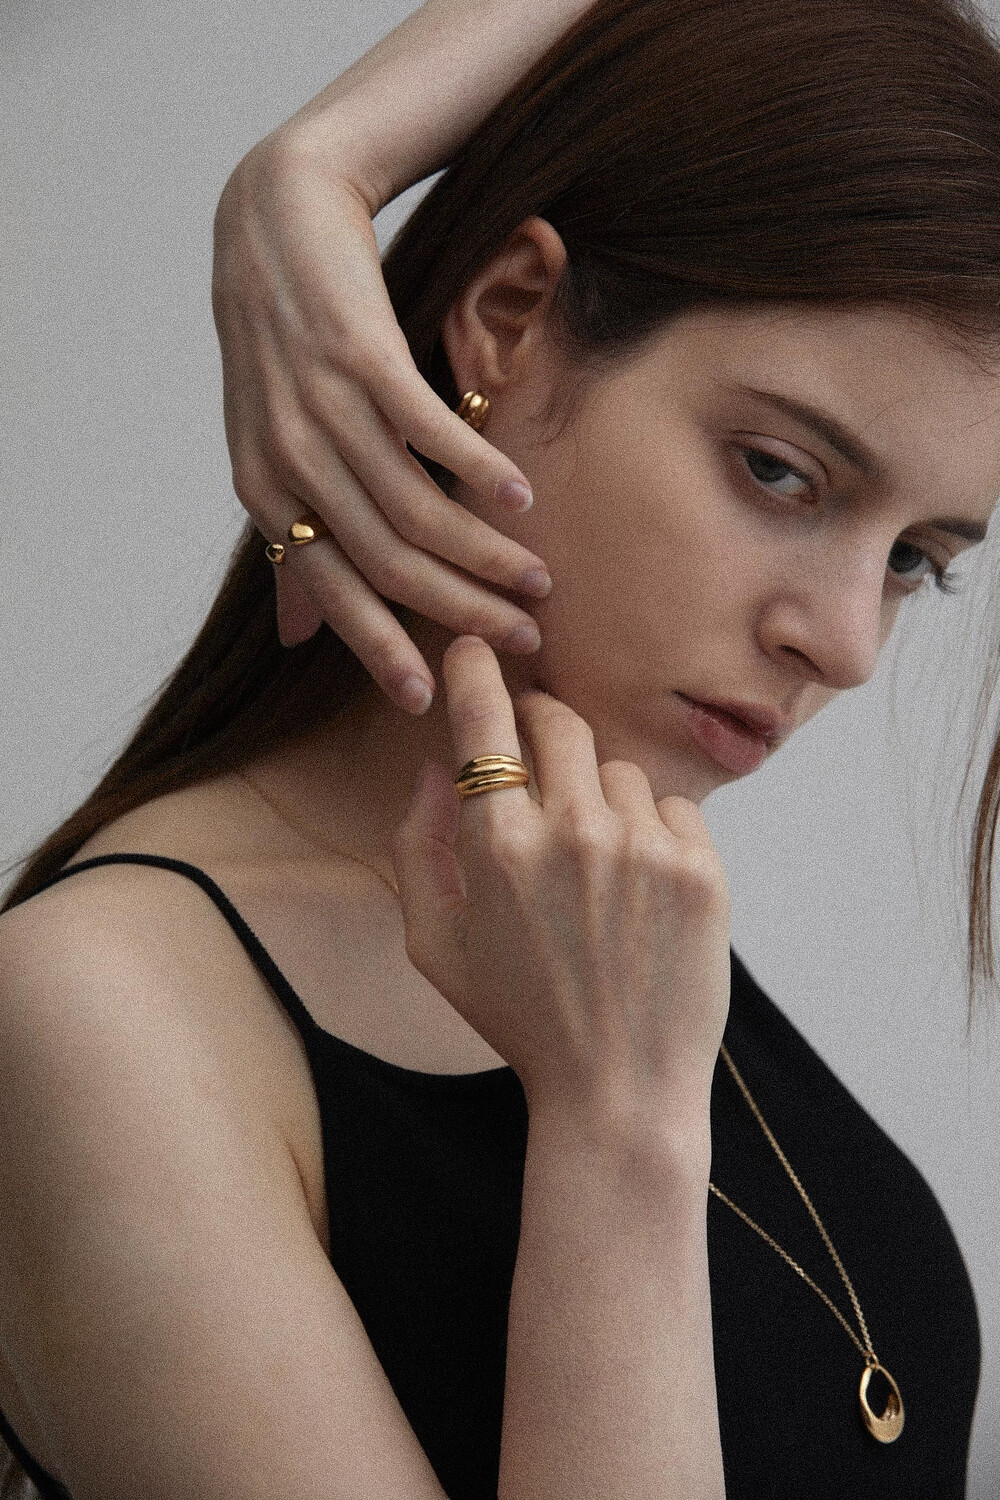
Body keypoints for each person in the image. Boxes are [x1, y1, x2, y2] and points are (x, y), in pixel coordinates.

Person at [1, 0, 998, 1495]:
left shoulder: (593, 904)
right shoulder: (97, 1016)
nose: (848, 643)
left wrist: (329, 154)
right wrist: (613, 1131)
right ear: (512, 316)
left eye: (918, 557)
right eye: (781, 471)